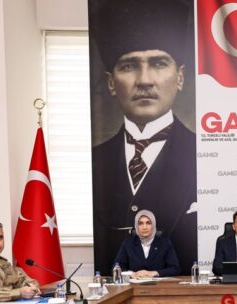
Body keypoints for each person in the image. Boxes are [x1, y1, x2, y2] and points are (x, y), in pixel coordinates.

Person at [91, 0, 196, 277]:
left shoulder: (204, 154)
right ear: (111, 83)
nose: (145, 80)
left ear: (180, 77)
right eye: (129, 66)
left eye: (159, 64)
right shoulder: (96, 159)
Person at [114, 210, 180, 278]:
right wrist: (131, 274)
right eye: (140, 223)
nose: (144, 227)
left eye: (148, 223)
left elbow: (175, 268)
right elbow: (117, 267)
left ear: (153, 225)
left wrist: (154, 273)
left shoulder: (165, 243)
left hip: (158, 284)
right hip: (135, 283)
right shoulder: (128, 243)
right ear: (136, 226)